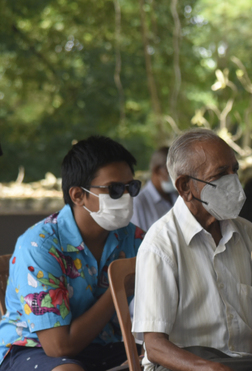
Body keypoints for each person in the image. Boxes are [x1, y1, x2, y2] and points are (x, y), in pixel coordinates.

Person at [132, 129, 252, 371]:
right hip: (186, 367)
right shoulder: (160, 245)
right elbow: (154, 346)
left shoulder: (249, 234)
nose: (233, 181)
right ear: (185, 186)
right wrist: (207, 368)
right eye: (220, 174)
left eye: (234, 170)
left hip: (246, 363)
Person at [0, 136, 144, 371]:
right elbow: (58, 348)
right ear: (78, 195)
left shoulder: (133, 238)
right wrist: (119, 288)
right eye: (115, 189)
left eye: (132, 187)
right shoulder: (40, 246)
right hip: (33, 351)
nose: (126, 196)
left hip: (104, 348)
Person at [131, 147, 178, 231]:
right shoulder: (139, 202)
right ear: (157, 170)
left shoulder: (178, 195)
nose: (177, 177)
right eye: (172, 172)